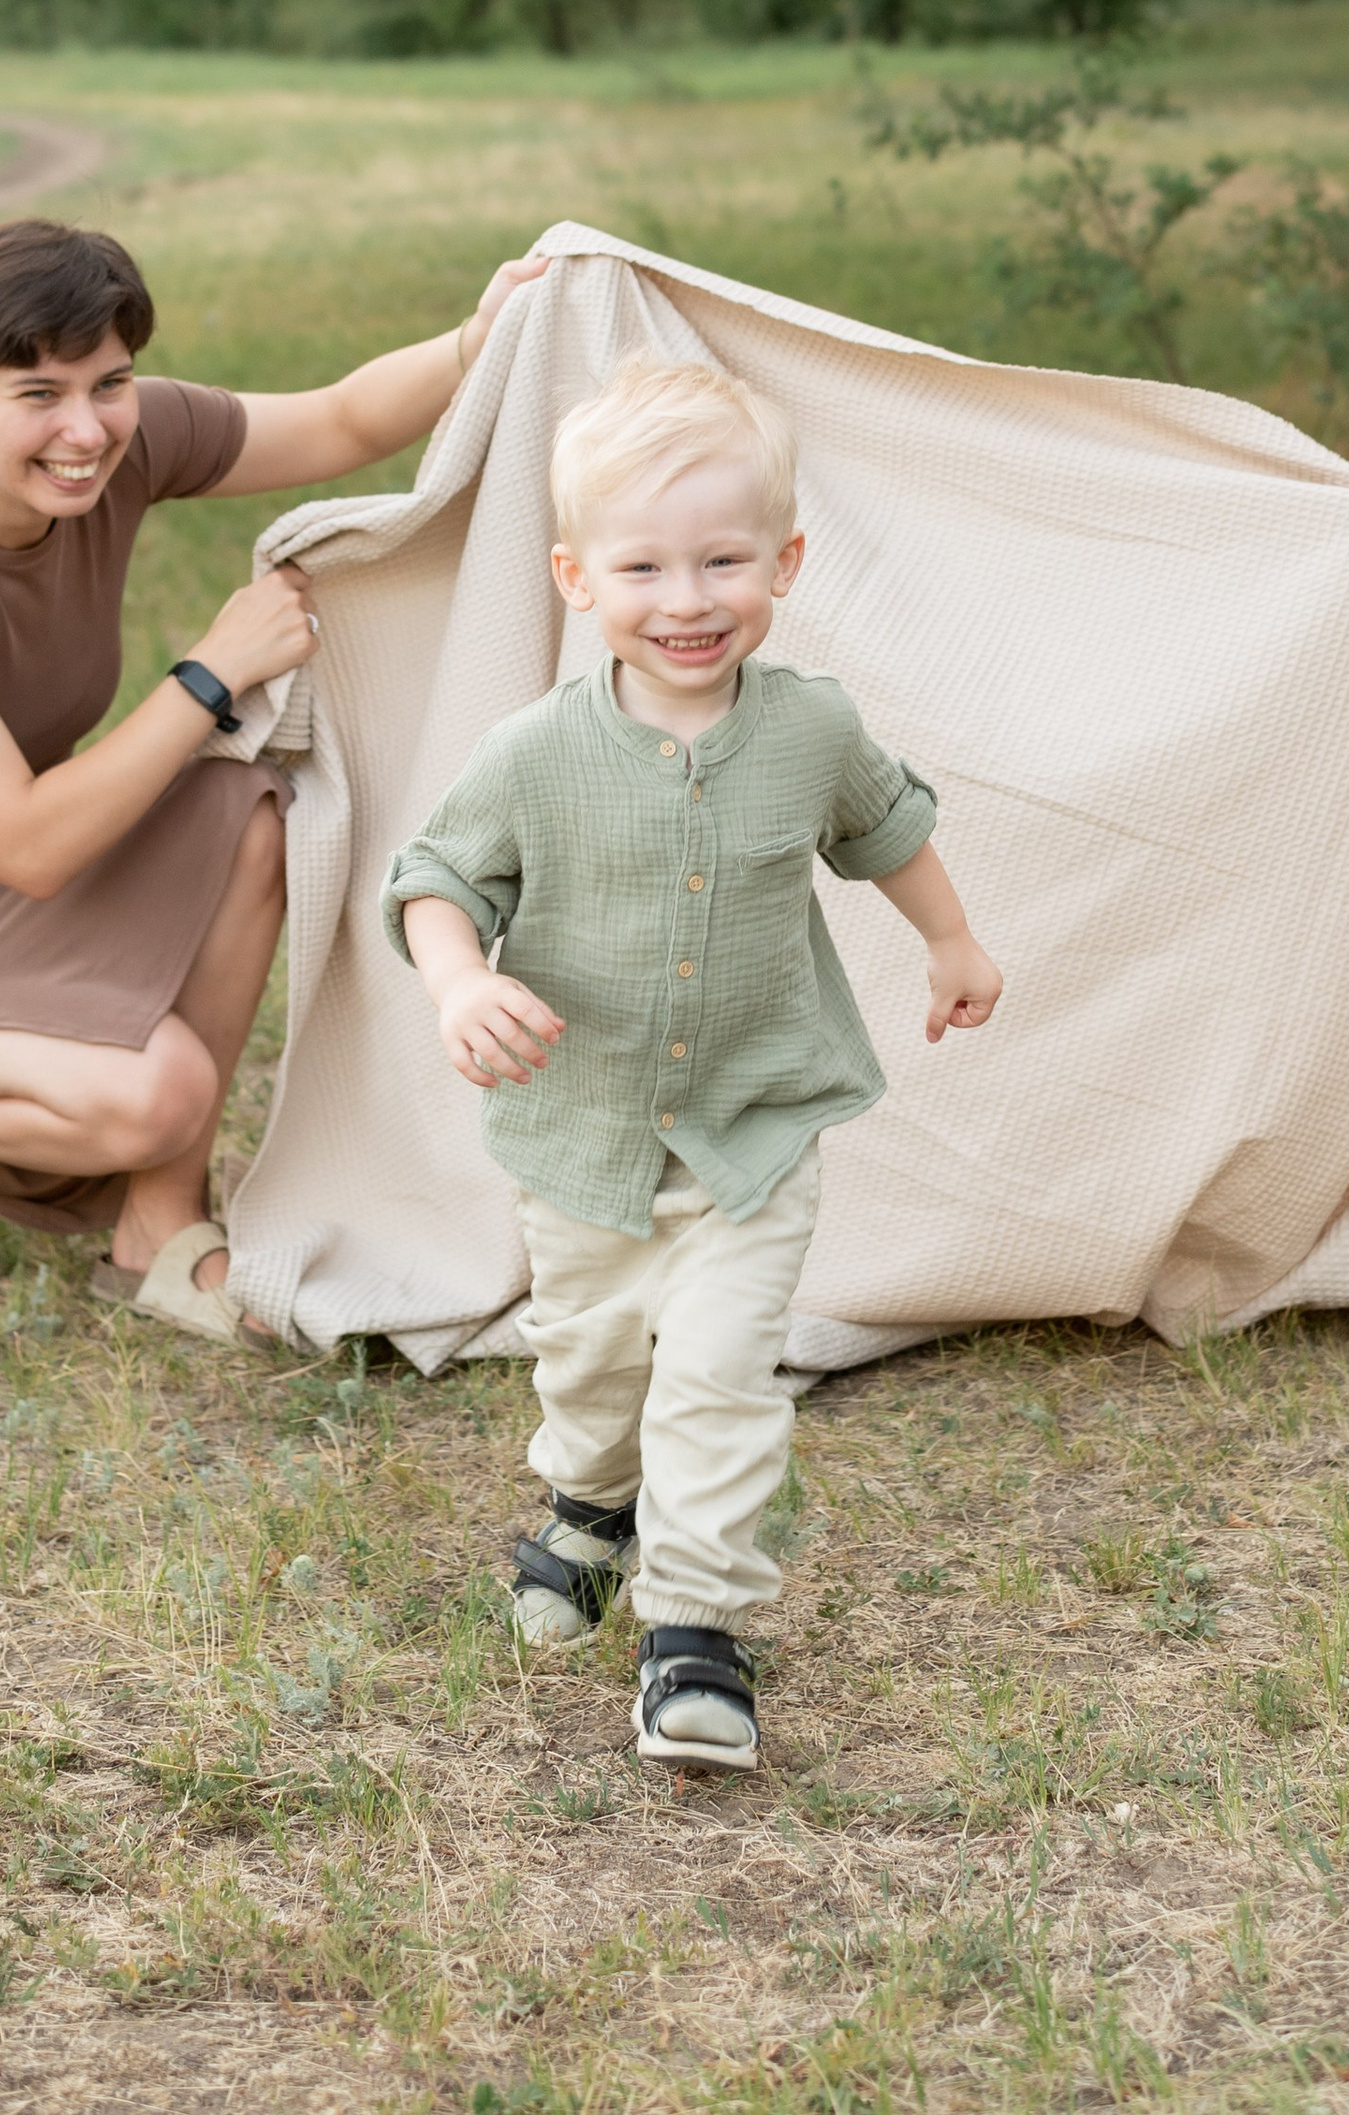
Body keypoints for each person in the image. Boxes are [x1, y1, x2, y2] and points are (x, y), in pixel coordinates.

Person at [0, 216, 544, 1345]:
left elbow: (339, 419)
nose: (85, 429)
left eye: (110, 381)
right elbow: (26, 841)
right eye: (39, 393)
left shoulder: (121, 439)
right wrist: (211, 672)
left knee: (251, 813)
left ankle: (156, 1235)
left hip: (5, 908)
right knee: (156, 1090)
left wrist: (483, 334)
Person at [384, 354, 1003, 1771]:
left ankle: (694, 1629)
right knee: (594, 1362)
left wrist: (952, 940)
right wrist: (460, 974)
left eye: (724, 558)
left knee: (721, 1376)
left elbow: (885, 825)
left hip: (753, 1127)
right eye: (646, 564)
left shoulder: (810, 728)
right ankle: (590, 1504)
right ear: (576, 575)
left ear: (782, 558)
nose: (688, 597)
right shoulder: (536, 748)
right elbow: (437, 874)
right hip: (582, 1135)